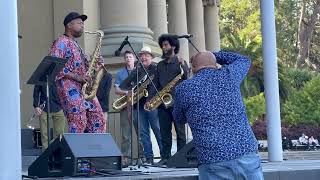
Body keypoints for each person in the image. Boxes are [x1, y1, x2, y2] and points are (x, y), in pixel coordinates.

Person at [173, 51, 264, 180]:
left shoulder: (183, 89)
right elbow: (244, 60)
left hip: (212, 160)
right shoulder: (229, 76)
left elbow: (179, 119)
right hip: (245, 154)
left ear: (193, 69)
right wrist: (215, 55)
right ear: (215, 65)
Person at [50, 12, 105, 133]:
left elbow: (85, 68)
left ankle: (93, 151)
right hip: (69, 86)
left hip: (84, 88)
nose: (83, 25)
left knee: (98, 118)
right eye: (79, 22)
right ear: (69, 25)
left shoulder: (76, 45)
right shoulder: (61, 42)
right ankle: (76, 151)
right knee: (78, 121)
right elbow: (53, 65)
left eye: (83, 23)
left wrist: (95, 64)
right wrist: (77, 77)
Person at [145, 34, 189, 164]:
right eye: (162, 45)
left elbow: (186, 79)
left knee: (180, 133)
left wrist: (184, 67)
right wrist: (150, 99)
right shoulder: (160, 65)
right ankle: (165, 158)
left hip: (177, 103)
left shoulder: (181, 63)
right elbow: (155, 84)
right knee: (165, 133)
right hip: (163, 103)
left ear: (173, 46)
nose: (163, 48)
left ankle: (181, 158)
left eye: (166, 45)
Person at [121, 46, 163, 165]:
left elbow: (160, 85)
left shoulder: (156, 69)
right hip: (139, 105)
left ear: (151, 57)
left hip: (152, 105)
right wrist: (132, 88)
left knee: (157, 130)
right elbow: (124, 85)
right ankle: (149, 158)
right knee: (143, 133)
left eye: (146, 55)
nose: (144, 57)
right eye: (142, 55)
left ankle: (165, 155)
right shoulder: (138, 71)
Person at [114, 50, 143, 166]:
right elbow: (116, 90)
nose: (128, 59)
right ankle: (126, 158)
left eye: (130, 57)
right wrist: (127, 93)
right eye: (126, 57)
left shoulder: (140, 71)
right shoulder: (120, 73)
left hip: (138, 106)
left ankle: (142, 157)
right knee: (126, 135)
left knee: (141, 133)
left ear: (135, 59)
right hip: (125, 106)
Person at [33, 83, 67, 151]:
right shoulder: (41, 76)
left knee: (60, 134)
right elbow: (36, 91)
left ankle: (58, 152)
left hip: (59, 107)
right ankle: (46, 154)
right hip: (44, 108)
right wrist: (36, 106)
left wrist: (65, 105)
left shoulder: (59, 74)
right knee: (44, 134)